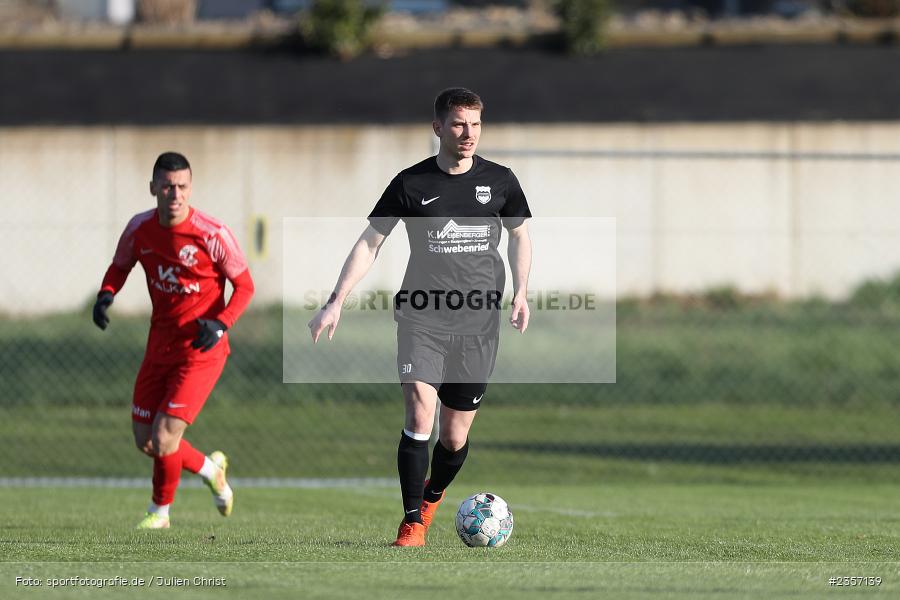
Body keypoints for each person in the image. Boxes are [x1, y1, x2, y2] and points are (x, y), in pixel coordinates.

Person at [308, 88, 532, 546]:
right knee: (420, 412)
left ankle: (431, 497)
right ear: (437, 128)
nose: (467, 134)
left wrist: (521, 291)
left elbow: (520, 236)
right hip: (422, 319)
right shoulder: (411, 184)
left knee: (452, 437)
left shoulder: (502, 181)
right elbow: (371, 242)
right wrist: (336, 299)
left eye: (474, 124)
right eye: (457, 124)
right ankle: (412, 523)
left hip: (478, 325)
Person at [93, 152, 255, 529]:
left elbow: (245, 286)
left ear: (190, 188)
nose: (175, 193)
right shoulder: (139, 229)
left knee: (165, 436)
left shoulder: (212, 233)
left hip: (202, 351)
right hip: (159, 346)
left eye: (182, 186)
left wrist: (221, 323)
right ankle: (209, 469)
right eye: (167, 186)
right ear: (153, 188)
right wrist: (106, 293)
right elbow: (120, 265)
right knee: (145, 440)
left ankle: (159, 513)